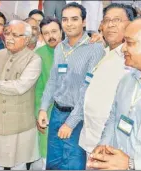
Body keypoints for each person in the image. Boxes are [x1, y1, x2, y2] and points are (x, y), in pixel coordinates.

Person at [37, 2, 105, 169]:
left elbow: (88, 90)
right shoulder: (60, 47)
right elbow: (53, 80)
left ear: (84, 22)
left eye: (74, 19)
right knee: (53, 164)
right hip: (56, 114)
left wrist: (71, 122)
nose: (69, 23)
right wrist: (43, 108)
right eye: (65, 19)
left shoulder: (95, 49)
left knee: (72, 165)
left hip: (78, 118)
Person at [0, 20, 42, 170]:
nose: (9, 38)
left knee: (18, 166)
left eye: (15, 35)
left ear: (26, 39)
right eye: (7, 33)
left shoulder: (34, 59)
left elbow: (20, 86)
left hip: (20, 126)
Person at [87, 16, 141, 170]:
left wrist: (132, 164)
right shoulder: (126, 80)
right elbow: (114, 118)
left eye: (129, 43)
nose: (123, 49)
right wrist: (104, 144)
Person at [79, 3, 135, 164]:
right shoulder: (102, 51)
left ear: (131, 25)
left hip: (112, 147)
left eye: (117, 20)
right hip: (91, 138)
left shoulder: (131, 58)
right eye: (106, 20)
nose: (110, 24)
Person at [32, 17, 63, 170]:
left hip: (73, 117)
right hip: (48, 115)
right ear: (42, 36)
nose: (51, 36)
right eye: (46, 33)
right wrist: (38, 113)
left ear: (61, 31)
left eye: (54, 31)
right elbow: (37, 90)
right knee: (47, 159)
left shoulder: (74, 50)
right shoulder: (38, 55)